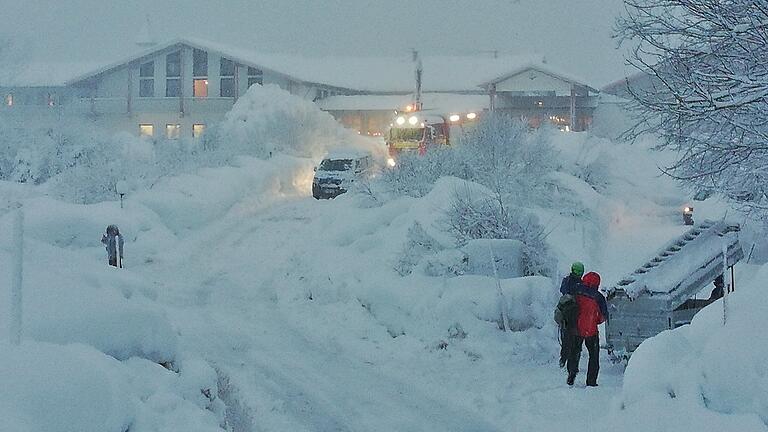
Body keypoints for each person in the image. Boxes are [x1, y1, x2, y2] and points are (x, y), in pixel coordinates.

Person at [566, 271, 608, 387]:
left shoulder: (576, 289)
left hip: (576, 329)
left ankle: (571, 374)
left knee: (574, 352)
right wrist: (594, 320)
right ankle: (591, 382)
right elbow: (603, 316)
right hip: (591, 330)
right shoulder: (598, 297)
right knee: (593, 356)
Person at [558, 262, 585, 367]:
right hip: (576, 314)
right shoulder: (582, 284)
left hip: (566, 313)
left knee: (566, 337)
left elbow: (562, 291)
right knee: (575, 338)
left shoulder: (566, 281)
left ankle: (564, 358)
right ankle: (572, 361)